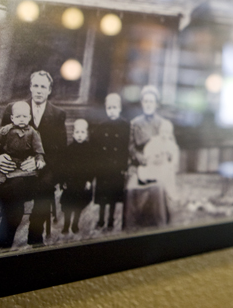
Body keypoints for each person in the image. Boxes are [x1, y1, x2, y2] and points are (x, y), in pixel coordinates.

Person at [0, 70, 67, 246]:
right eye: (35, 85)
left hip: (44, 169)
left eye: (43, 87)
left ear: (49, 90)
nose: (39, 90)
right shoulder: (14, 109)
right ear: (30, 87)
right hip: (17, 169)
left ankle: (35, 238)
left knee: (45, 190)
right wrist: (2, 158)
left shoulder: (58, 114)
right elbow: (0, 141)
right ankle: (3, 245)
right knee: (13, 202)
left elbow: (60, 151)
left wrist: (39, 162)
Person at [0, 101, 45, 250]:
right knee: (3, 185)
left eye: (25, 116)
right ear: (12, 118)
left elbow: (40, 150)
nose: (21, 119)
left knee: (39, 192)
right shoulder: (5, 128)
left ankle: (36, 242)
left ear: (29, 117)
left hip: (30, 169)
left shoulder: (33, 132)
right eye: (18, 116)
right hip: (10, 165)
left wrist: (39, 160)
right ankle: (2, 247)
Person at [125, 86, 175, 230]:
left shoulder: (162, 123)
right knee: (131, 186)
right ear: (141, 103)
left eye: (151, 102)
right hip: (140, 164)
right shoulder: (135, 123)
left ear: (156, 104)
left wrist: (164, 156)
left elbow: (170, 145)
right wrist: (140, 158)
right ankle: (133, 223)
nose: (148, 104)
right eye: (145, 101)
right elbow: (131, 147)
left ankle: (158, 221)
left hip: (159, 164)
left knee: (159, 186)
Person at [91, 93, 129, 230]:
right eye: (109, 108)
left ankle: (111, 220)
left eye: (115, 107)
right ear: (106, 109)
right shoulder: (101, 126)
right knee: (102, 197)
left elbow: (126, 149)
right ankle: (100, 220)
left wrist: (124, 166)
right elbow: (96, 148)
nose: (112, 110)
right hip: (103, 167)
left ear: (119, 108)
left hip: (116, 167)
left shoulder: (125, 126)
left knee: (112, 196)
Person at [60, 119, 94, 234]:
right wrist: (63, 181)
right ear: (73, 134)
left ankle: (75, 224)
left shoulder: (90, 150)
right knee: (68, 206)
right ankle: (66, 225)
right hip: (70, 183)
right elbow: (63, 166)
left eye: (82, 132)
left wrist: (89, 180)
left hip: (82, 183)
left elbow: (92, 167)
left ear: (87, 134)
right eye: (77, 132)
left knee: (78, 206)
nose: (80, 135)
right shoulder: (68, 149)